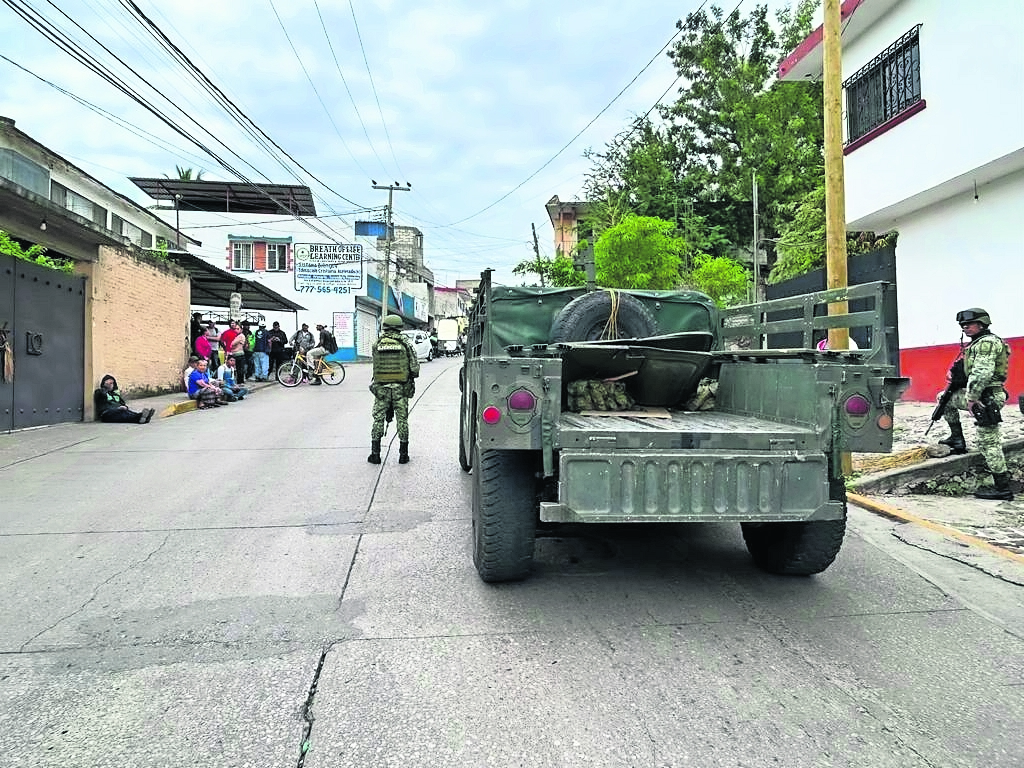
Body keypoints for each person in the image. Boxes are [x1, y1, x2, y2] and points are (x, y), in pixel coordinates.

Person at [938, 308, 1013, 501]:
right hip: (983, 395)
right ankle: (957, 439)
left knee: (988, 441)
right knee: (944, 399)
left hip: (987, 398)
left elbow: (982, 374)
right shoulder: (977, 343)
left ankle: (1002, 488)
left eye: (968, 324)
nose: (964, 328)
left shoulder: (987, 343)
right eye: (962, 325)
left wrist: (972, 399)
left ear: (981, 324)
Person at [367, 314, 419, 464]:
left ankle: (375, 454)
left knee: (378, 419)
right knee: (402, 420)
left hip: (381, 390)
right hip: (400, 389)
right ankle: (403, 455)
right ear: (399, 327)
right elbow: (415, 370)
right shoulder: (406, 344)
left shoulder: (377, 344)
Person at [221, 320, 247, 385]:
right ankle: (238, 381)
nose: (236, 330)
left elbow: (232, 343)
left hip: (238, 353)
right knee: (237, 368)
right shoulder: (237, 335)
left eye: (238, 328)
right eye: (236, 328)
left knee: (239, 368)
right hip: (236, 353)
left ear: (241, 329)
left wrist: (231, 344)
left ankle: (240, 381)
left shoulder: (240, 336)